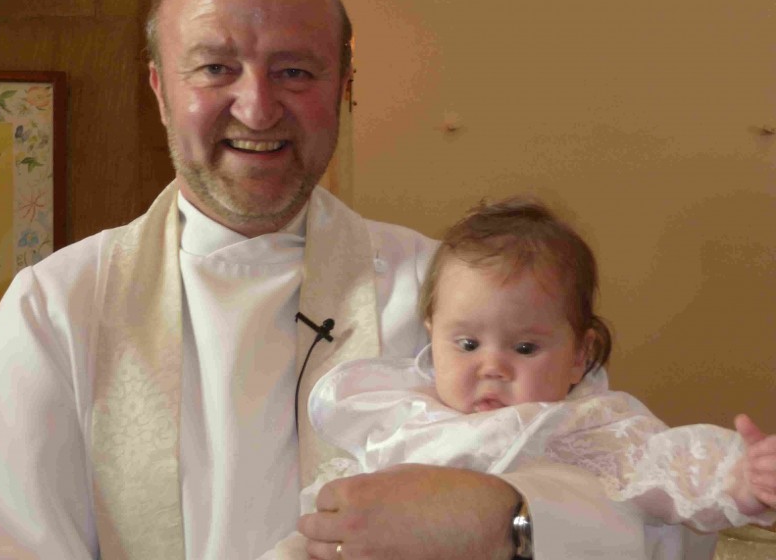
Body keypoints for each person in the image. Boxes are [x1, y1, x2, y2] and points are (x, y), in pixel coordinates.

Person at [0, 0, 716, 559]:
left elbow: (654, 513)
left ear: (346, 89)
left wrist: (510, 521)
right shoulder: (56, 311)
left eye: (296, 71)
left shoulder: (454, 299)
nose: (258, 108)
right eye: (214, 68)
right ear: (159, 91)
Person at [263, 197, 776, 560]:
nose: (492, 366)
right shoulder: (401, 414)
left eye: (525, 348)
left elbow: (673, 465)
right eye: (466, 345)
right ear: (430, 337)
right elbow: (332, 515)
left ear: (581, 355)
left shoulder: (587, 426)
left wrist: (740, 478)